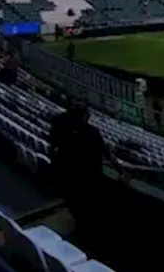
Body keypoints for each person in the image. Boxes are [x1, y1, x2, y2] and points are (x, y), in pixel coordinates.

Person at [49, 99, 118, 231]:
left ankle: (80, 223)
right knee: (88, 203)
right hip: (89, 177)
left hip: (72, 176)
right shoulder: (91, 132)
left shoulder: (62, 130)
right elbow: (106, 153)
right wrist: (120, 171)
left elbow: (53, 147)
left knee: (78, 204)